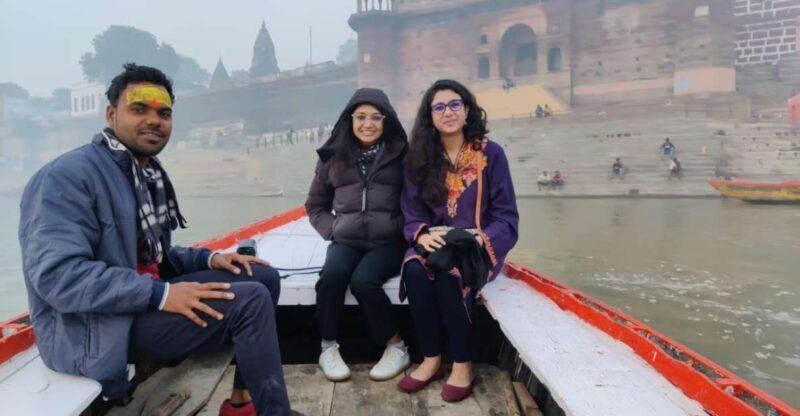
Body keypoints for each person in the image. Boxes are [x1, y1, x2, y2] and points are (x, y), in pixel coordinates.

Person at [17, 64, 297, 416]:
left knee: (260, 276)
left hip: (135, 306)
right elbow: (58, 277)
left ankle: (241, 403)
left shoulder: (144, 172)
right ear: (111, 114)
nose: (154, 120)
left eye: (163, 113)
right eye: (139, 109)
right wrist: (160, 294)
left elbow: (152, 256)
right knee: (249, 301)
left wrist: (208, 260)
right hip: (92, 331)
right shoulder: (66, 177)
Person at [398, 79, 519, 402]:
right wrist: (421, 234)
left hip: (477, 246)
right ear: (430, 115)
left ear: (467, 111)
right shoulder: (420, 158)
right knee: (414, 271)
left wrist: (482, 238)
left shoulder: (491, 154)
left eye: (455, 105)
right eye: (439, 107)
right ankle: (431, 358)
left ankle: (463, 364)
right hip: (436, 242)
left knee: (450, 277)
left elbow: (507, 217)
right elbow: (410, 211)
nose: (447, 112)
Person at [305, 88, 410, 382]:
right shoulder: (332, 157)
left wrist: (402, 228)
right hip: (346, 239)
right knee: (332, 276)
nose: (368, 124)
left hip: (389, 241)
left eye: (376, 117)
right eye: (361, 116)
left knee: (364, 280)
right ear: (350, 119)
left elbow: (417, 201)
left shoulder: (403, 155)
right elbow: (315, 205)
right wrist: (333, 229)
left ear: (386, 120)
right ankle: (327, 347)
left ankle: (397, 346)